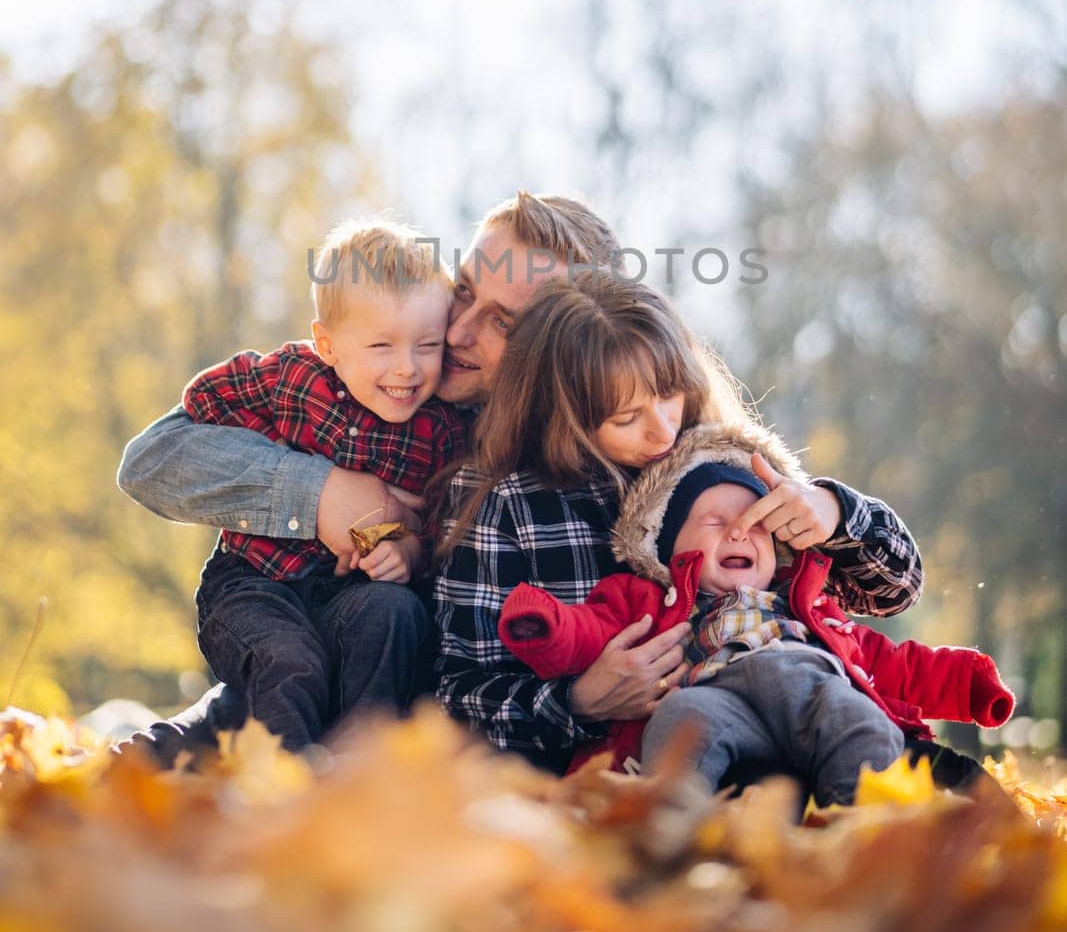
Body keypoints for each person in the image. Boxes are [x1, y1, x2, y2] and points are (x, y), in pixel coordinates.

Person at [117, 192, 630, 757]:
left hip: (412, 718)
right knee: (137, 772)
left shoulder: (584, 460)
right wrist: (321, 494)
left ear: (564, 347)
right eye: (463, 291)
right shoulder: (372, 380)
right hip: (284, 654)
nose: (456, 331)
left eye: (503, 322)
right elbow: (154, 458)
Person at [434, 272, 925, 778]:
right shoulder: (511, 507)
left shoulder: (724, 464)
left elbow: (895, 591)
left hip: (797, 737)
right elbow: (459, 697)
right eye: (628, 418)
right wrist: (577, 702)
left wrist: (835, 513)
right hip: (627, 779)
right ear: (568, 418)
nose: (664, 429)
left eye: (670, 396)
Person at [499, 423, 1014, 802]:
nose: (739, 531)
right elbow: (591, 630)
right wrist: (541, 624)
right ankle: (669, 829)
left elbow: (894, 664)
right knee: (680, 726)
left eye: (756, 523)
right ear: (671, 549)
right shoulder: (647, 600)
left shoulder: (809, 606)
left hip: (808, 694)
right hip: (714, 702)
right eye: (714, 521)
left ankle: (867, 817)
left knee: (843, 712)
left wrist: (969, 686)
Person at [181, 219, 468, 750]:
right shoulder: (294, 378)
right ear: (328, 344)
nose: (406, 368)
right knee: (290, 662)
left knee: (395, 613)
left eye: (426, 345)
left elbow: (441, 529)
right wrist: (291, 466)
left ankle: (354, 776)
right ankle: (281, 792)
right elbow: (203, 401)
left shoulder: (443, 429)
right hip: (254, 584)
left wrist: (408, 548)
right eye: (382, 345)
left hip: (353, 595)